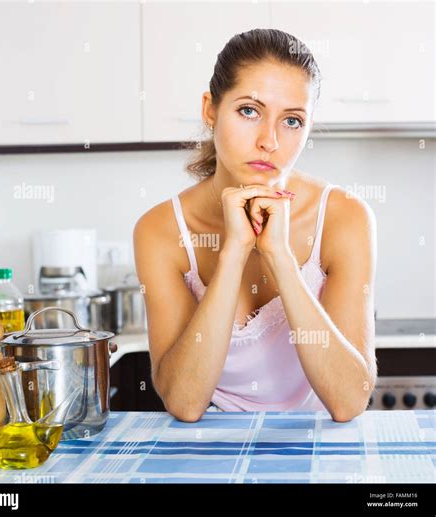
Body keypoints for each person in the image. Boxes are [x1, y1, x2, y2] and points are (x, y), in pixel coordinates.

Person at [134, 28, 377, 422]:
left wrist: (280, 257)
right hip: (210, 447)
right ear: (210, 109)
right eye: (249, 110)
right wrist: (233, 252)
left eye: (292, 120)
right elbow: (183, 402)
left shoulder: (344, 216)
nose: (270, 141)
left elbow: (349, 401)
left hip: (316, 448)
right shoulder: (160, 230)